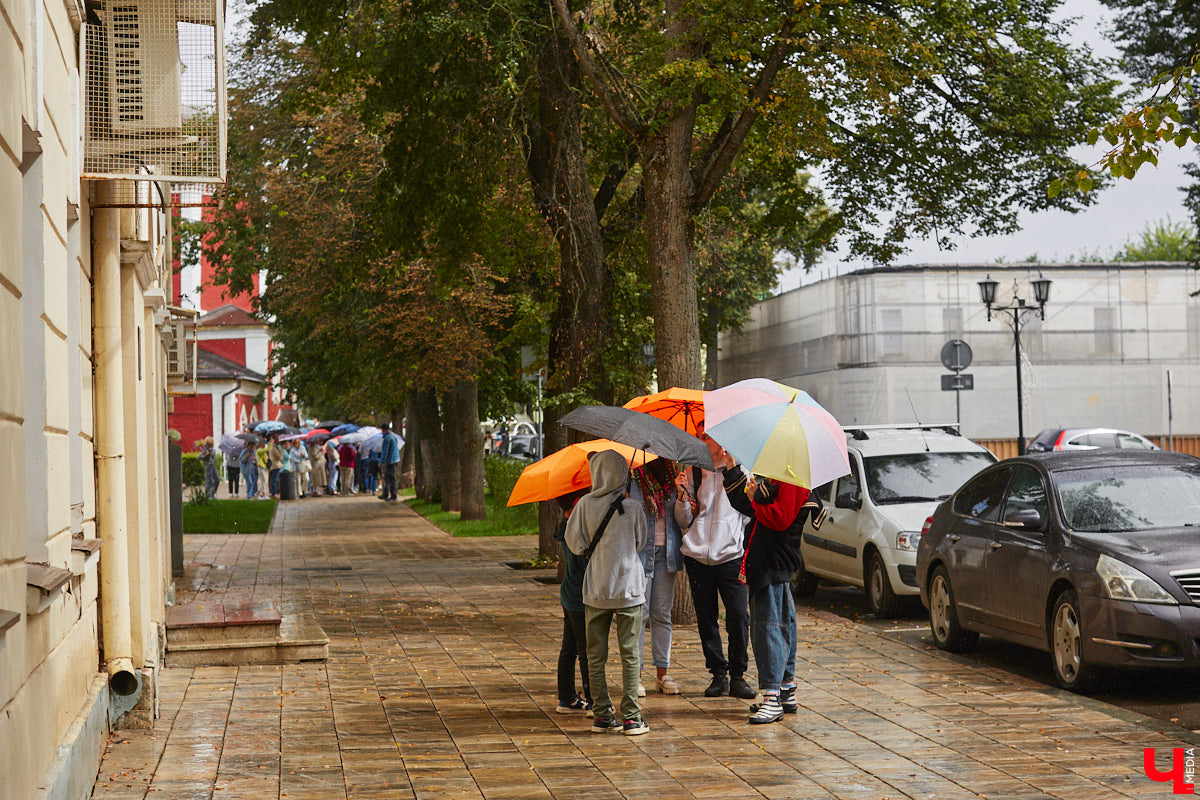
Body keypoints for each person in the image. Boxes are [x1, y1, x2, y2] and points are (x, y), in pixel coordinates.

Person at [720, 456, 823, 724]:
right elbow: (751, 508)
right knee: (783, 623)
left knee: (768, 628)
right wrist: (733, 473)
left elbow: (780, 519)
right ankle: (786, 689)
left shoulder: (794, 476)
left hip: (773, 561)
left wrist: (755, 497)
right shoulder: (781, 473)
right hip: (769, 561)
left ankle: (772, 697)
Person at [565, 449, 649, 736]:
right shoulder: (634, 507)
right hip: (629, 588)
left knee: (595, 654)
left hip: (597, 586)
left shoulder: (584, 505)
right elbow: (641, 542)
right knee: (630, 654)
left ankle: (601, 715)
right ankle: (632, 718)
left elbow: (575, 544)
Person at [672, 424, 755, 700]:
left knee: (738, 616)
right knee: (706, 618)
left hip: (731, 555)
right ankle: (718, 674)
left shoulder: (742, 471)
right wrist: (682, 496)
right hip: (697, 556)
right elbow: (684, 520)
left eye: (704, 436)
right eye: (698, 435)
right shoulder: (695, 471)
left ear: (720, 440)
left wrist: (732, 537)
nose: (699, 440)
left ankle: (738, 675)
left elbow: (748, 514)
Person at [629, 459, 684, 696]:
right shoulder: (634, 479)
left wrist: (681, 494)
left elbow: (684, 520)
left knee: (662, 613)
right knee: (639, 614)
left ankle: (663, 675)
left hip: (667, 554)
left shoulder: (676, 478)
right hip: (641, 553)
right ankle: (636, 676)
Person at [553, 489, 591, 715]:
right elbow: (581, 565)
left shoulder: (567, 525)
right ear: (577, 502)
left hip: (570, 594)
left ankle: (566, 697)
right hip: (579, 596)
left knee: (569, 647)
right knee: (586, 649)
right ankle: (593, 699)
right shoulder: (573, 529)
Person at [379, 423, 402, 502]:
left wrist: (381, 462)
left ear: (383, 430)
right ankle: (386, 494)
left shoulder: (387, 438)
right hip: (395, 459)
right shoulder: (393, 436)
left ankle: (393, 495)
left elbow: (385, 452)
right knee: (388, 478)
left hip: (390, 461)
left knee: (391, 478)